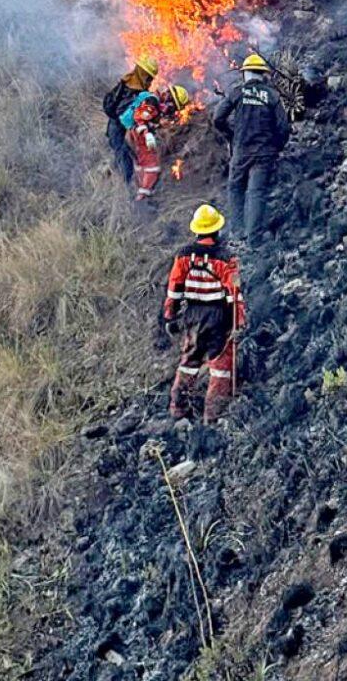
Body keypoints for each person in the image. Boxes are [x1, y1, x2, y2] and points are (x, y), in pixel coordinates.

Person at [163, 204, 245, 423]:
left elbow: (174, 288)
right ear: (217, 230)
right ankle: (213, 415)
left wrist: (170, 316)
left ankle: (178, 408)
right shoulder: (227, 258)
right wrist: (239, 323)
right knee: (220, 367)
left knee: (189, 362)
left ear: (197, 230)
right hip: (219, 319)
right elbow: (234, 293)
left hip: (192, 317)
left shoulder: (183, 256)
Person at [213, 54, 291, 244]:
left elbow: (217, 118)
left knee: (235, 188)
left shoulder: (237, 92)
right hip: (265, 153)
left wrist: (231, 135)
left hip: (241, 151)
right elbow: (284, 127)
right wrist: (276, 147)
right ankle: (254, 239)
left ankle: (238, 232)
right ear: (263, 74)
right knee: (257, 192)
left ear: (245, 74)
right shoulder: (272, 96)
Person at [102, 58, 159, 180]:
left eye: (150, 78)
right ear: (141, 72)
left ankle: (111, 173)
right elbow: (119, 112)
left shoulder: (128, 81)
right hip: (117, 127)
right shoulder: (132, 88)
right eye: (147, 76)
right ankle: (126, 187)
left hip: (118, 126)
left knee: (123, 153)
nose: (149, 80)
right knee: (123, 155)